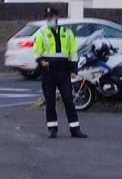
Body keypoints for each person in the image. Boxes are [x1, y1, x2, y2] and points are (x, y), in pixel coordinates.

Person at [33, 8, 86, 139]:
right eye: (48, 18)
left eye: (52, 17)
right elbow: (36, 51)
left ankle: (75, 128)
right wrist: (41, 61)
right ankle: (52, 128)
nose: (50, 20)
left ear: (57, 17)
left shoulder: (67, 33)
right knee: (50, 101)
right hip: (48, 70)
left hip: (63, 69)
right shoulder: (41, 33)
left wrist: (73, 70)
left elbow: (73, 52)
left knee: (68, 99)